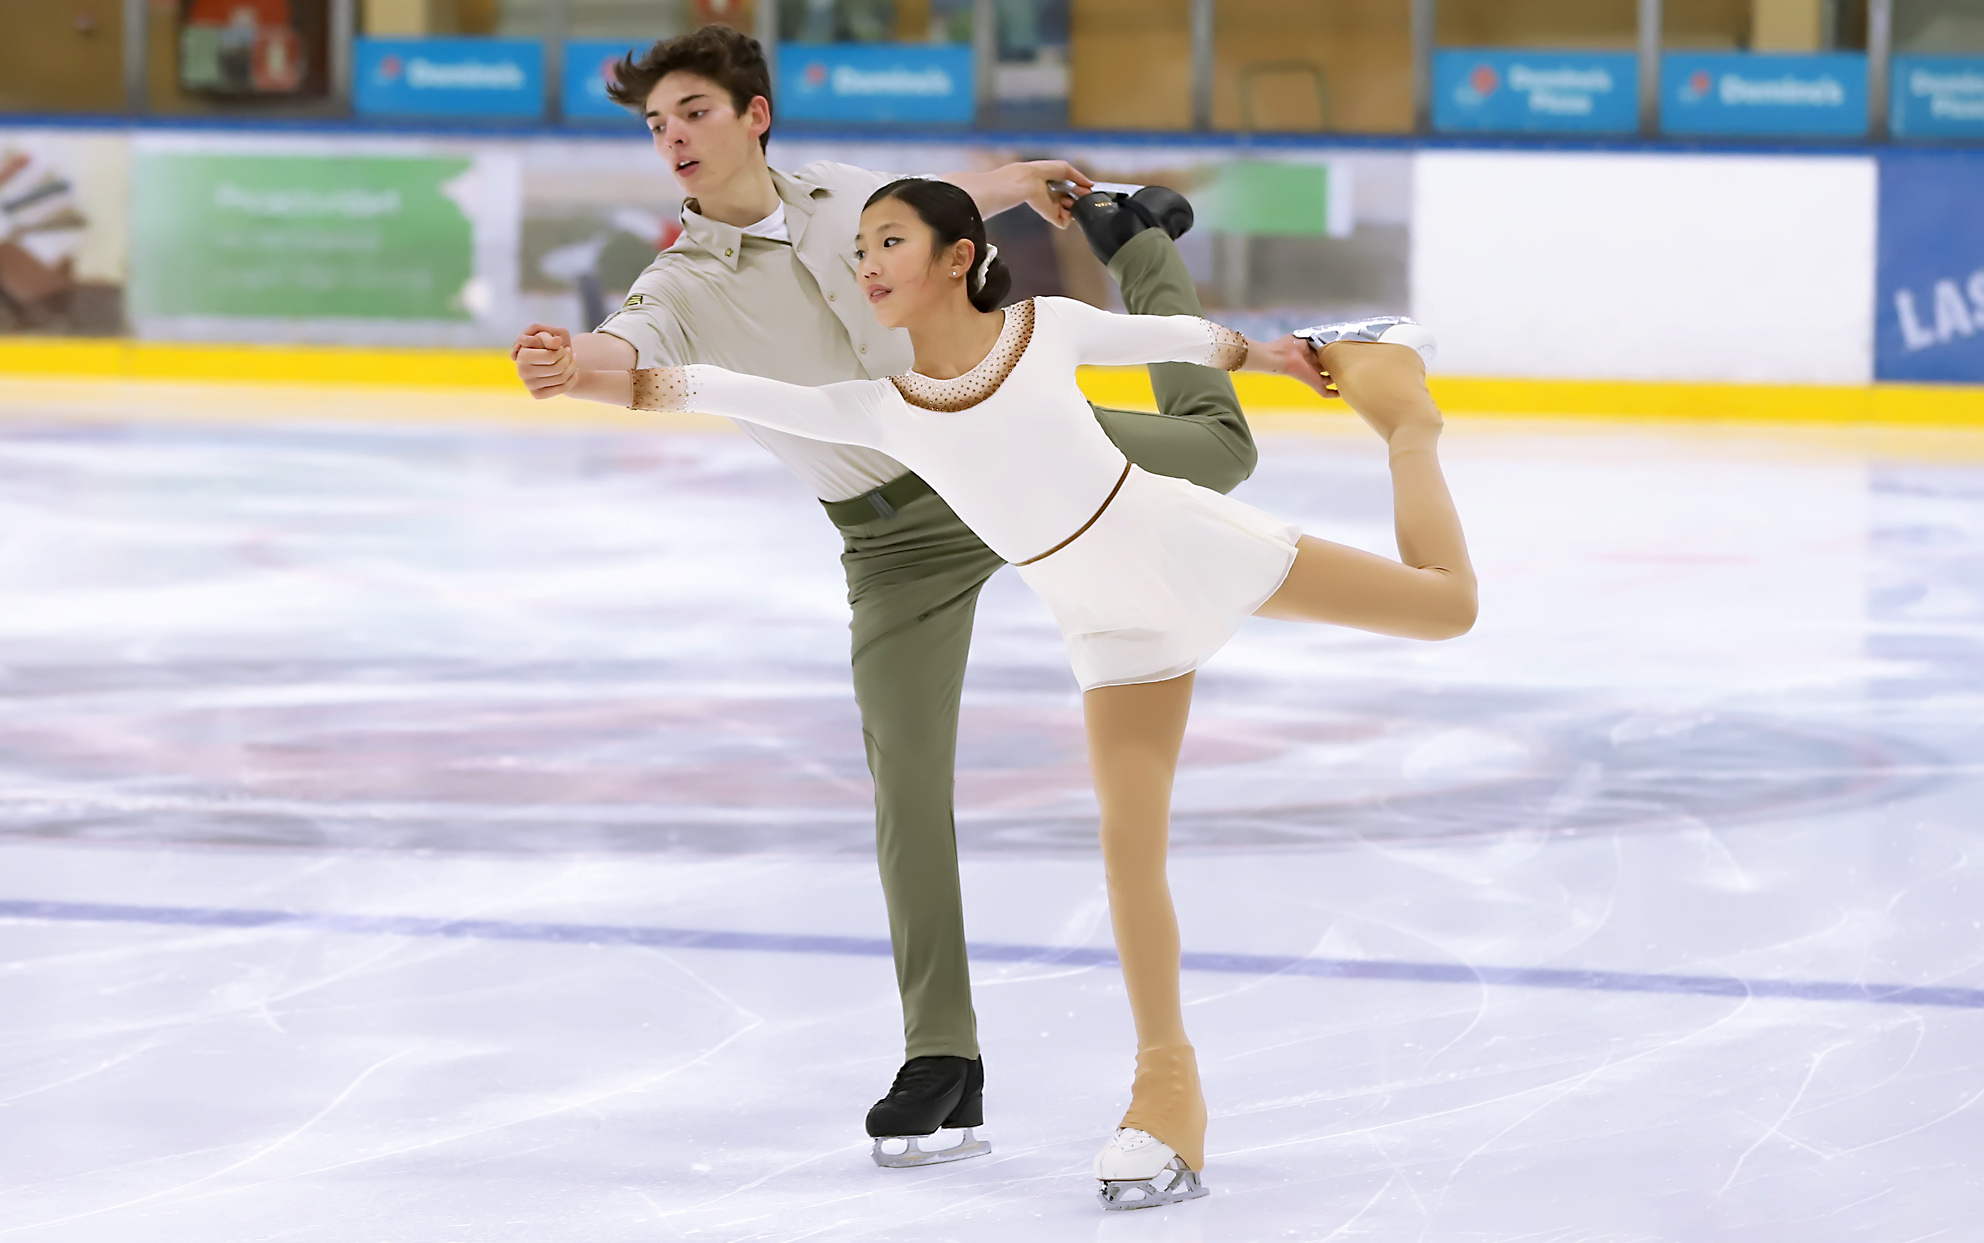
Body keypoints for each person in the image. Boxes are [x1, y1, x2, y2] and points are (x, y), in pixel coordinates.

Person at [532, 178, 1478, 1210]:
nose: (868, 264)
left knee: (1446, 608)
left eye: (890, 241)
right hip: (1111, 629)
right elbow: (707, 387)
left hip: (1182, 546)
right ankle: (1165, 1096)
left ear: (956, 256)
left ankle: (1408, 424)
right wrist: (578, 370)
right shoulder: (879, 409)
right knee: (1128, 858)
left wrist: (1286, 355)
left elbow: (1183, 341)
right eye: (860, 249)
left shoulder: (1044, 329)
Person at [513, 25, 1263, 1168]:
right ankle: (942, 1061)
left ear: (753, 115)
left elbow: (941, 198)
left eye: (692, 113)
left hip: (997, 444)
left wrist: (1022, 187)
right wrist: (573, 363)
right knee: (905, 779)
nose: (672, 137)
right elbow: (634, 351)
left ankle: (1142, 247)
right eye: (656, 124)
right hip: (890, 541)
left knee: (1214, 451)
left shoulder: (840, 196)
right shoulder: (673, 280)